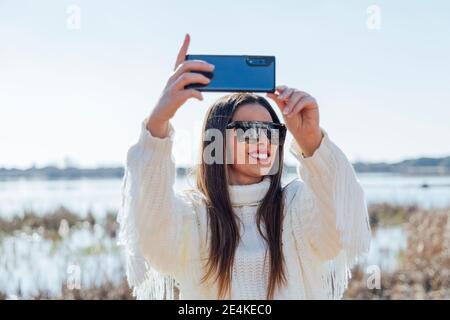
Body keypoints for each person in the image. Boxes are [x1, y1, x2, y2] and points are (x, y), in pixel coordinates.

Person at [117, 34, 371, 300]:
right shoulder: (192, 217)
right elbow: (150, 235)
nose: (262, 139)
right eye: (247, 130)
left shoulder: (295, 206)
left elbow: (342, 225)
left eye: (270, 130)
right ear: (215, 141)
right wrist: (158, 122)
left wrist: (312, 141)